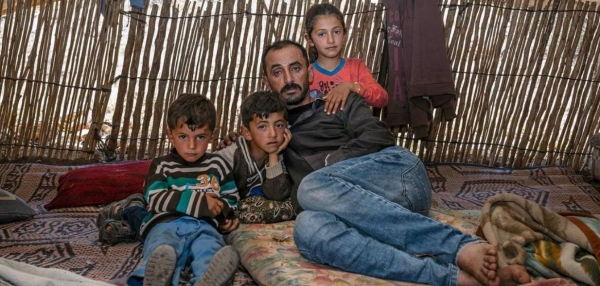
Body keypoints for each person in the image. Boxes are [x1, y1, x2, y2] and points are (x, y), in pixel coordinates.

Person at [250, 39, 529, 286]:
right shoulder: (268, 134)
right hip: (359, 212)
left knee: (311, 188)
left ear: (310, 72)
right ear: (267, 81)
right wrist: (272, 151)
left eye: (295, 68)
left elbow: (378, 136)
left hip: (397, 178)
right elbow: (275, 191)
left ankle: (458, 246)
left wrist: (327, 166)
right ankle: (455, 278)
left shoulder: (337, 103)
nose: (288, 78)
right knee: (308, 228)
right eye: (278, 72)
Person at [96, 91, 295, 246]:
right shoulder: (226, 158)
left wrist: (225, 215)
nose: (272, 134)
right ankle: (129, 208)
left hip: (204, 213)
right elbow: (165, 197)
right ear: (246, 132)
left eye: (278, 125)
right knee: (149, 219)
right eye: (262, 126)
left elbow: (266, 195)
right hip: (174, 208)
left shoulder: (270, 156)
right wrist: (210, 208)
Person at [126, 93, 240, 286]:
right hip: (166, 224)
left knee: (210, 248)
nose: (192, 146)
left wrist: (224, 216)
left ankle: (207, 280)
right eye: (183, 137)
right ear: (170, 134)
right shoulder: (161, 165)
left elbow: (231, 198)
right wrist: (203, 203)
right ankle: (153, 279)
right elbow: (155, 198)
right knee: (163, 249)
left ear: (213, 134)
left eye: (200, 137)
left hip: (205, 226)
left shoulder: (218, 164)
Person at [304, 3, 388, 115]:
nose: (331, 40)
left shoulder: (356, 67)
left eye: (336, 32)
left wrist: (351, 86)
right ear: (309, 40)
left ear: (344, 34)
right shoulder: (306, 74)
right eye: (322, 34)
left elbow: (382, 98)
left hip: (353, 131)